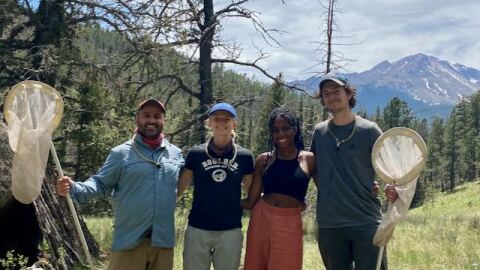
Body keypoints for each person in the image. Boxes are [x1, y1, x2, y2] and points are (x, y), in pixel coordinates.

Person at [56, 99, 184, 270]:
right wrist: (74, 187)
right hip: (129, 241)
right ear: (137, 118)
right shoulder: (121, 153)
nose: (152, 120)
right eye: (146, 115)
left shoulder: (176, 154)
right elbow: (100, 183)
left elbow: (191, 181)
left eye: (157, 116)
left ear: (163, 120)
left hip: (163, 243)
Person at [311, 76, 397, 270]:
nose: (331, 97)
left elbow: (391, 168)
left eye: (336, 91)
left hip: (366, 221)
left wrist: (392, 188)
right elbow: (314, 167)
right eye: (326, 94)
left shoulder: (370, 130)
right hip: (330, 225)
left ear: (349, 94)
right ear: (322, 99)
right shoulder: (320, 132)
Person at [176, 102, 254, 270]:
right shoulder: (196, 154)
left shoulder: (244, 157)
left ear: (235, 123)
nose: (221, 122)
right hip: (198, 228)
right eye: (216, 118)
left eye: (226, 119)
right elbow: (178, 191)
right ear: (209, 122)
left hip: (230, 230)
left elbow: (252, 194)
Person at [241, 107, 316, 270]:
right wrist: (220, 197)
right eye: (275, 130)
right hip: (261, 219)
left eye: (285, 128)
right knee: (255, 265)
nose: (281, 134)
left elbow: (326, 189)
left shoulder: (308, 159)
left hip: (290, 222)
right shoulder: (264, 160)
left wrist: (367, 190)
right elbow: (251, 201)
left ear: (295, 129)